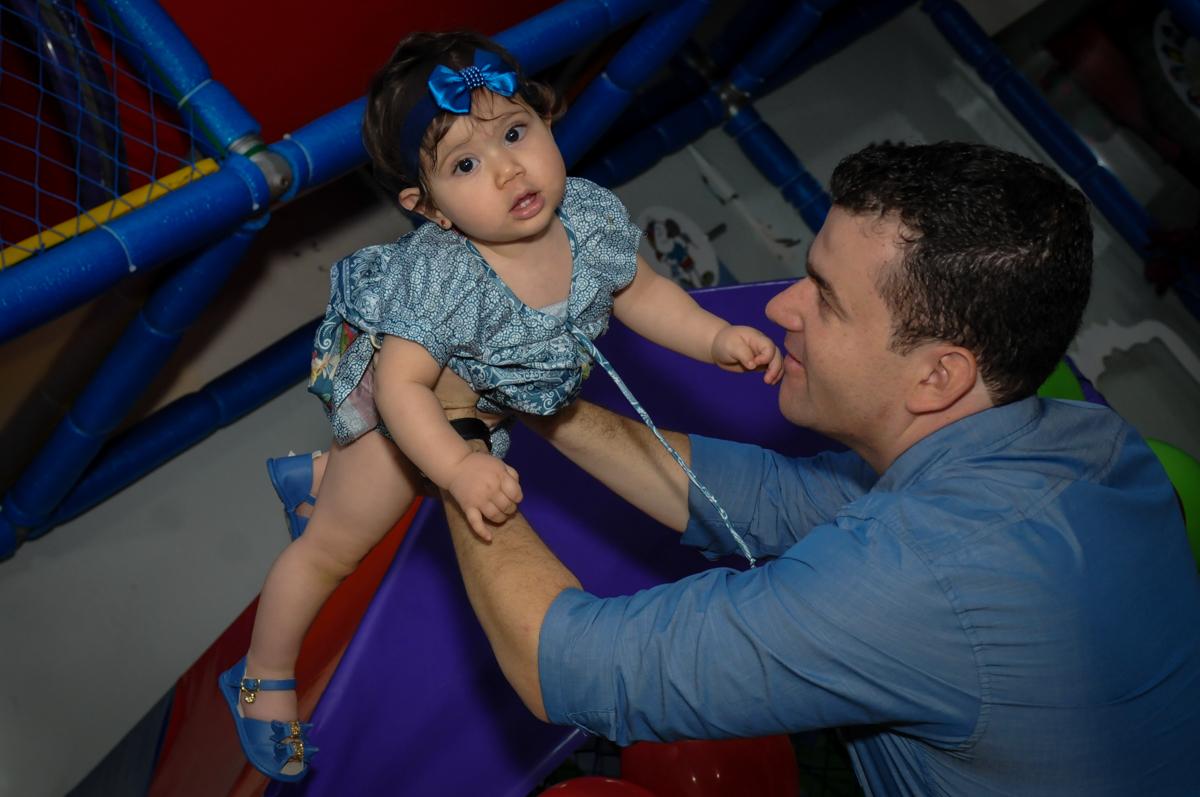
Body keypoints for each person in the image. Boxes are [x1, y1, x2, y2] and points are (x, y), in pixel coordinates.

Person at [435, 142, 1200, 795]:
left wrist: (453, 435)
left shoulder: (917, 578)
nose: (782, 308)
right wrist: (537, 402)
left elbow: (558, 663)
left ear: (939, 377)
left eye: (826, 301)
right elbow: (769, 498)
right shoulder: (1088, 440)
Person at [216, 29, 782, 783]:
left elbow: (643, 292)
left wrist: (714, 338)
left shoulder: (587, 215)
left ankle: (317, 477)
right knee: (331, 552)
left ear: (549, 120)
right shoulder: (448, 276)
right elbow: (402, 389)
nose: (508, 167)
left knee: (404, 477)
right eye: (466, 164)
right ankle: (260, 677)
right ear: (431, 209)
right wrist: (454, 466)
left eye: (516, 132)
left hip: (500, 398)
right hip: (408, 427)